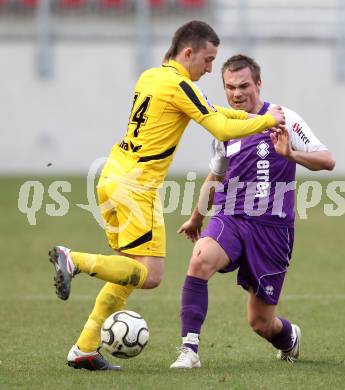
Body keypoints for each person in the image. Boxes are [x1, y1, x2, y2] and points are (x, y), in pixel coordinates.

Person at [48, 23, 285, 371]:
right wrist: (264, 123)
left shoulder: (152, 76)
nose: (209, 68)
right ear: (188, 53)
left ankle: (84, 346)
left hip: (112, 176)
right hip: (136, 187)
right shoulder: (179, 85)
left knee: (127, 270)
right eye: (207, 59)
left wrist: (256, 116)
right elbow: (220, 128)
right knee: (152, 274)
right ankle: (75, 260)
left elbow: (218, 113)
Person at [170, 54, 335, 369]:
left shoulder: (283, 117)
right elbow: (216, 175)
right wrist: (196, 217)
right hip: (231, 217)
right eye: (230, 87)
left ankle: (289, 338)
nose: (237, 93)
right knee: (200, 258)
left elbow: (327, 160)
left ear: (258, 83)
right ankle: (189, 350)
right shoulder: (224, 125)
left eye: (244, 85)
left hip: (273, 230)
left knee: (260, 322)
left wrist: (292, 155)